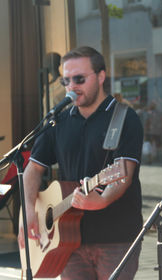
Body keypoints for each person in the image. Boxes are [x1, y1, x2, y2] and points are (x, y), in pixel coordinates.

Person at [18, 46, 144, 280]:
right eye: (66, 81)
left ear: (101, 76)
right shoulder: (58, 121)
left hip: (116, 237)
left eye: (79, 79)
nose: (71, 87)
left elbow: (123, 173)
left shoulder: (124, 118)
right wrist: (27, 210)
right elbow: (33, 168)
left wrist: (103, 199)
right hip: (66, 242)